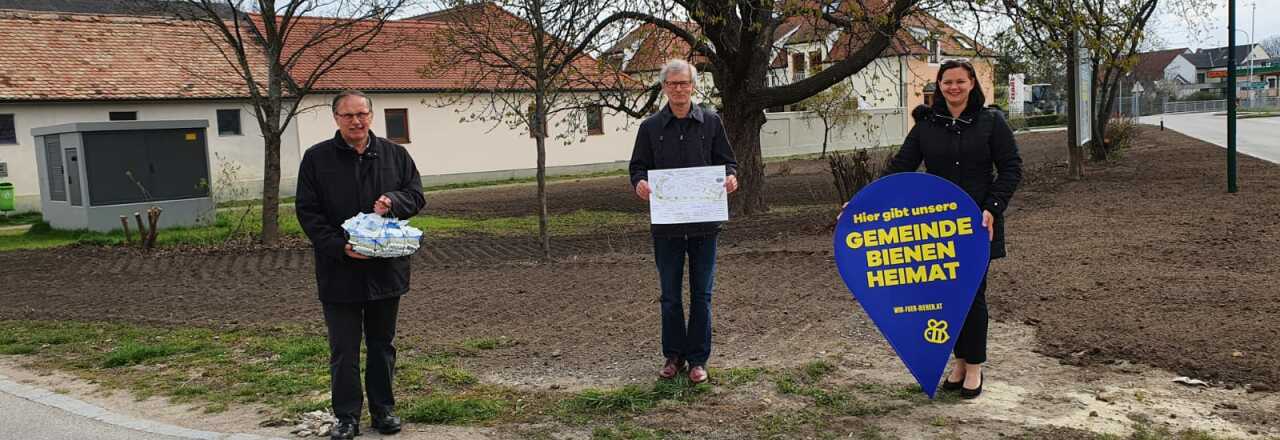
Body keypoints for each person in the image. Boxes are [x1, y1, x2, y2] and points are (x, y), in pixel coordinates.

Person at [883, 60, 1022, 398]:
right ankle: (960, 362)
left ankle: (974, 366)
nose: (954, 87)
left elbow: (1011, 167)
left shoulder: (992, 122)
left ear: (972, 84)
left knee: (971, 294)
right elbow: (901, 168)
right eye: (948, 82)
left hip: (979, 223)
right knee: (945, 297)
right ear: (939, 86)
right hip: (937, 228)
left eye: (961, 81)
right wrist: (863, 204)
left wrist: (993, 206)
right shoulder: (927, 125)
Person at [295, 90, 426, 439]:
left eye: (362, 114)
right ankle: (347, 417)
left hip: (386, 271)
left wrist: (393, 200)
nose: (356, 121)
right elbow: (308, 213)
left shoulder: (395, 155)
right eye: (348, 115)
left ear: (371, 115)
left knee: (382, 346)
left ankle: (384, 411)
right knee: (344, 349)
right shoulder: (316, 159)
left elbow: (416, 195)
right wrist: (340, 246)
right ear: (336, 118)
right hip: (339, 271)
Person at [629, 59, 739, 384]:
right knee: (670, 295)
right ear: (664, 88)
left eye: (684, 83)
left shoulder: (711, 122)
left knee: (702, 295)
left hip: (705, 226)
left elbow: (728, 162)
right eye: (672, 84)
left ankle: (698, 360)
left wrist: (731, 178)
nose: (678, 89)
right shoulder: (649, 128)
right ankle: (673, 355)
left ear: (693, 86)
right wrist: (639, 184)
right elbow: (637, 168)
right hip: (667, 228)